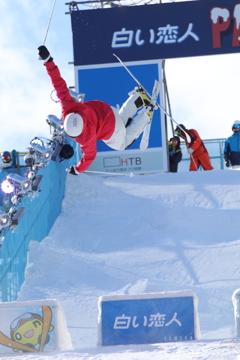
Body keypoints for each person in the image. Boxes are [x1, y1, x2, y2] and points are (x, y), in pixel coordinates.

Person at [38, 46, 153, 175]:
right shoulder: (68, 106)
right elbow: (58, 83)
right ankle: (138, 98)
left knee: (122, 144)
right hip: (108, 111)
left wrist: (77, 169)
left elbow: (90, 156)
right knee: (120, 121)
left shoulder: (85, 137)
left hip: (110, 128)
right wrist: (48, 60)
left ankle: (146, 115)